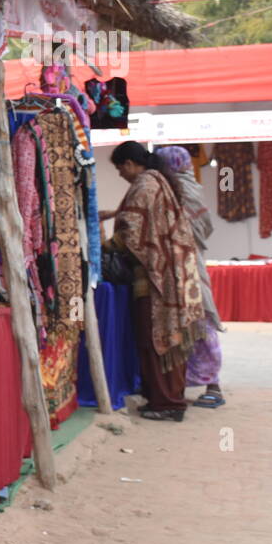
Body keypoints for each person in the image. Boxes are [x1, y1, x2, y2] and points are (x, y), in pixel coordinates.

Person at [101, 142, 204, 422]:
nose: (121, 173)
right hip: (173, 273)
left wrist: (104, 247)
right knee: (171, 339)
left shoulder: (144, 185)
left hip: (156, 278)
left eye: (121, 167)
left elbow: (133, 233)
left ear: (131, 164)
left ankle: (166, 403)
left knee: (155, 339)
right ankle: (168, 399)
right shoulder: (159, 182)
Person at [155, 145, 225, 407]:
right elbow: (205, 227)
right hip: (183, 261)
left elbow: (198, 227)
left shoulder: (180, 189)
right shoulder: (186, 186)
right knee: (188, 322)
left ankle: (213, 386)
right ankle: (189, 383)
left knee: (202, 321)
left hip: (189, 264)